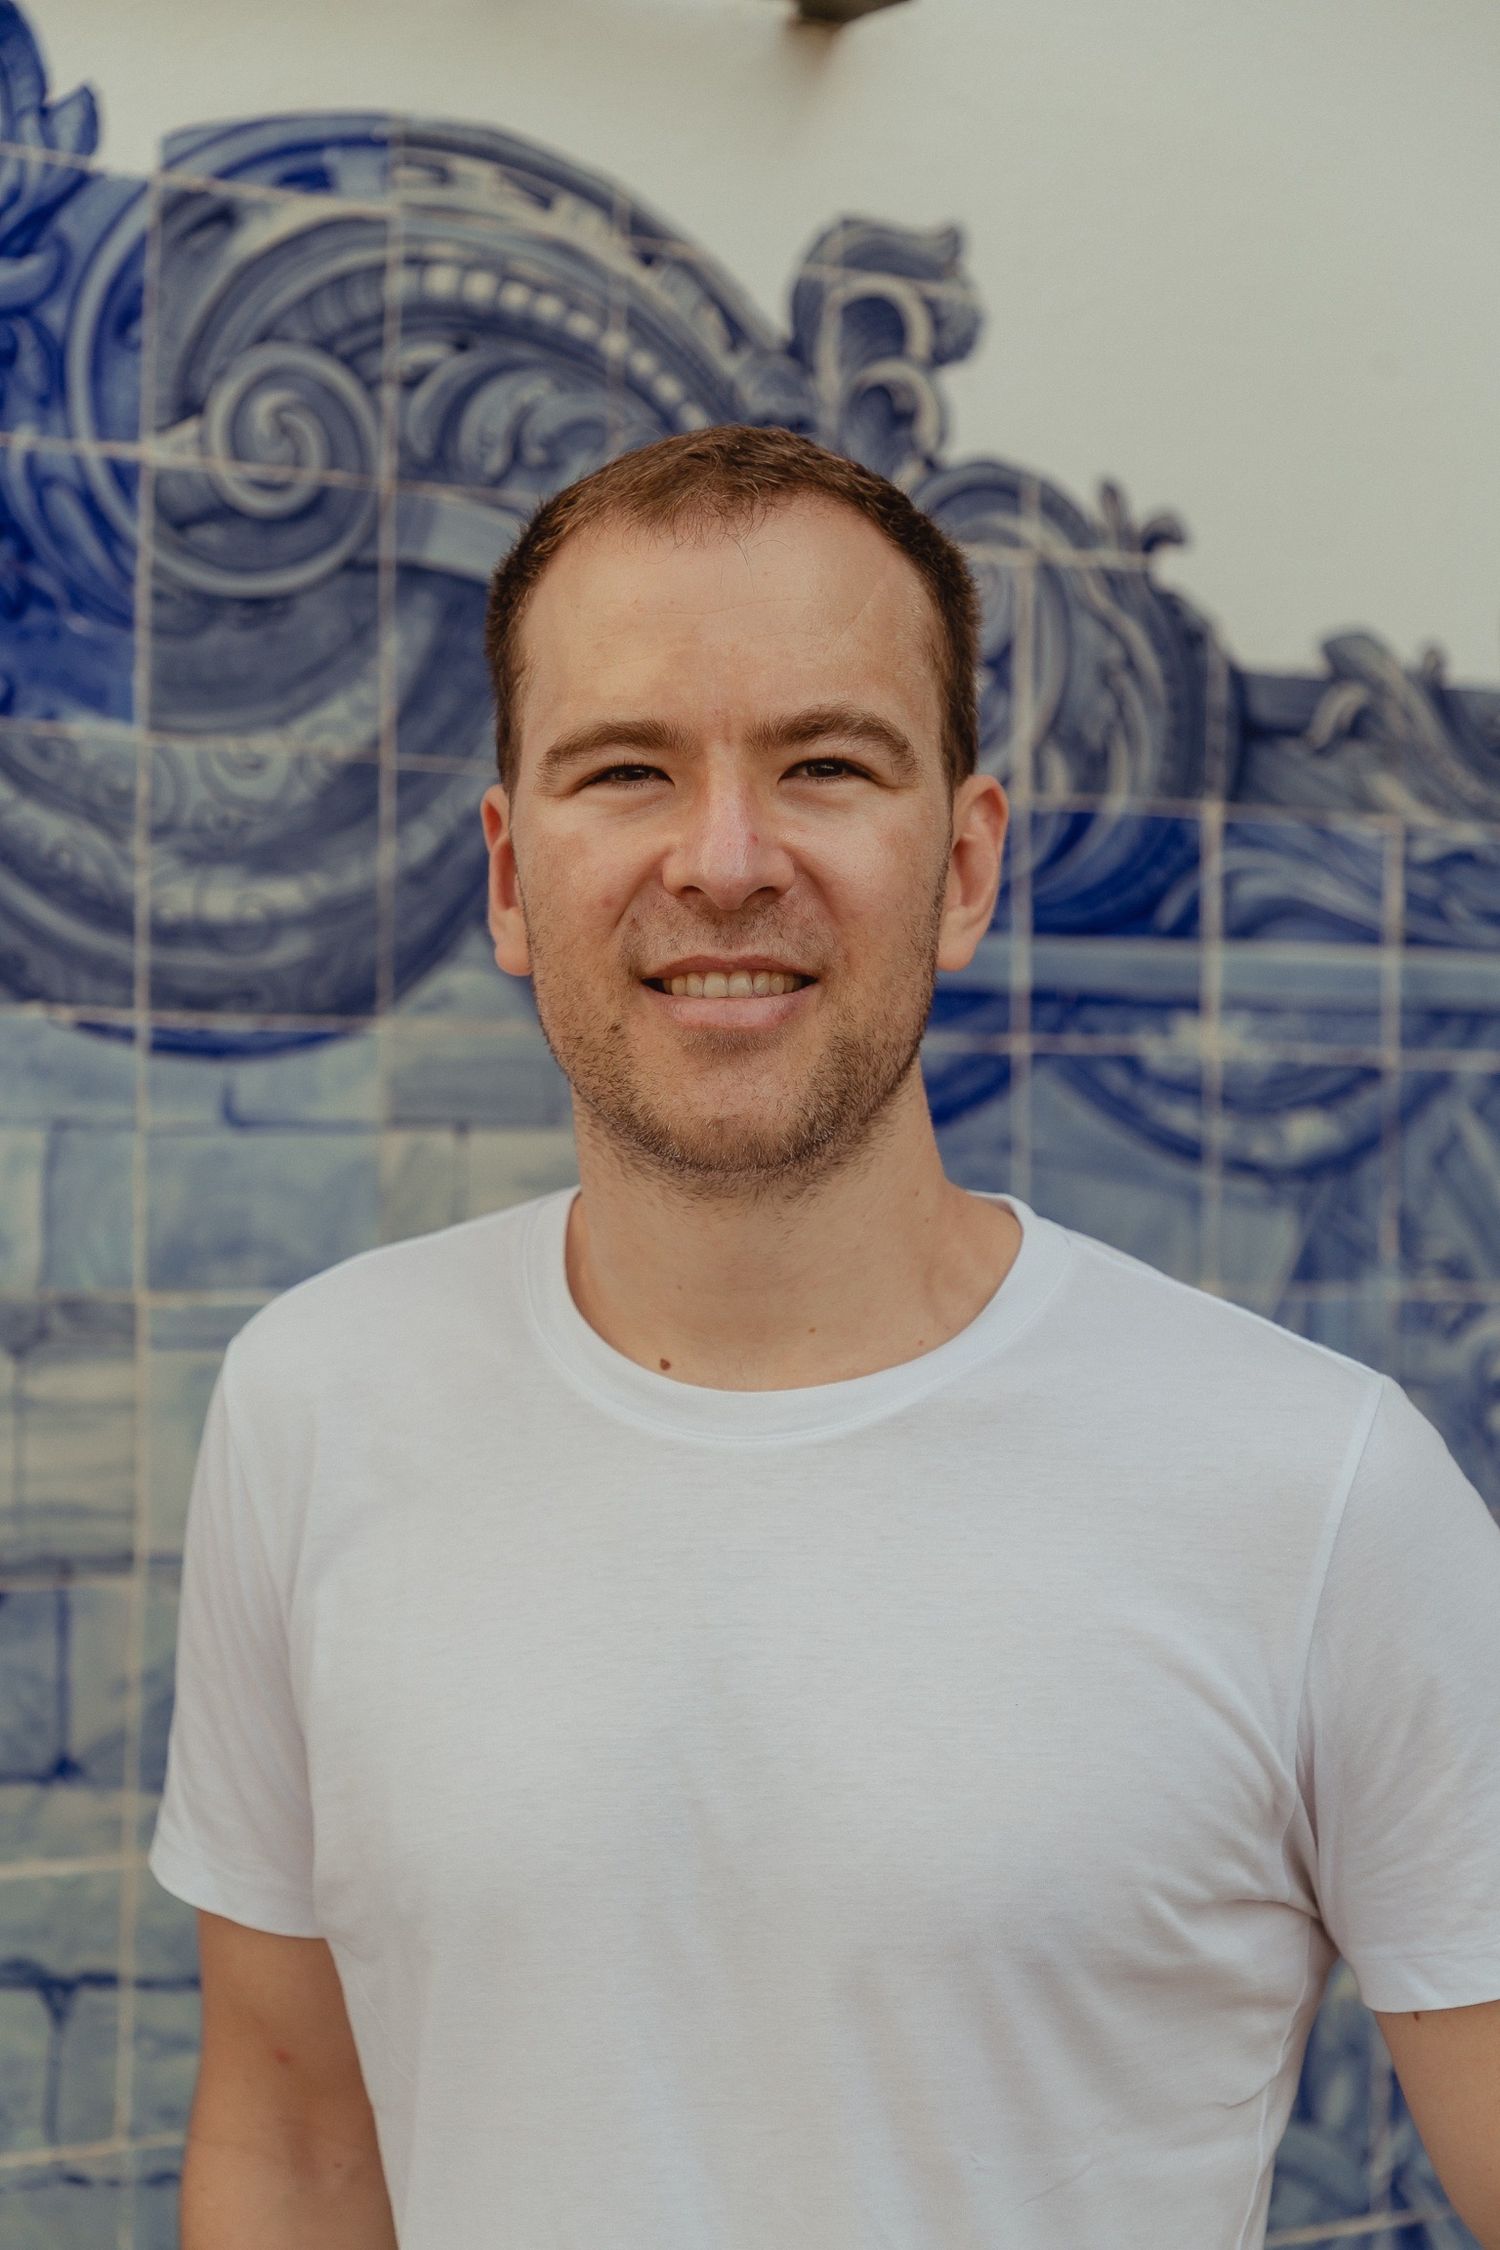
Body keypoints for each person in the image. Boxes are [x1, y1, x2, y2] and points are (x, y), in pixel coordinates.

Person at [149, 424, 1500, 2250]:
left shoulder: (1320, 1489)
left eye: (825, 764)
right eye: (627, 768)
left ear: (964, 863)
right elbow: (297, 2138)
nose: (724, 859)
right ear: (509, 875)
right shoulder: (314, 1402)